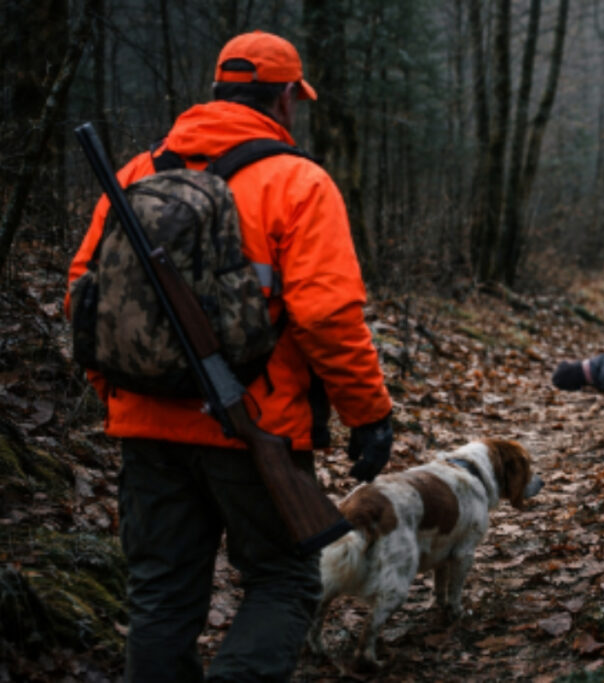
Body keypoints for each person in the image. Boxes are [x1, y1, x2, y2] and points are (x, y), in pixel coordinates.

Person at [66, 31, 393, 682]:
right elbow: (328, 318)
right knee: (283, 580)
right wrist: (369, 414)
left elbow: (84, 299)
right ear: (283, 100)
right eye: (295, 100)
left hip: (146, 428)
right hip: (256, 424)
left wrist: (119, 396)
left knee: (161, 594)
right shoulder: (300, 182)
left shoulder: (134, 173)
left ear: (217, 92)